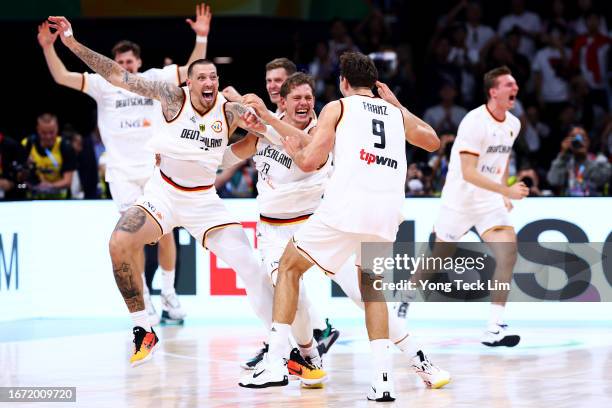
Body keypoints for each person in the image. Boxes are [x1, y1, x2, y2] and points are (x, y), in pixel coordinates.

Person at [48, 15, 274, 367]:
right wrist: (72, 43)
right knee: (118, 243)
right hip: (163, 193)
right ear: (189, 81)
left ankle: (282, 344)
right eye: (201, 76)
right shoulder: (170, 96)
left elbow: (256, 139)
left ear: (218, 81)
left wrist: (260, 123)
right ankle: (143, 327)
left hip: (203, 202)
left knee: (252, 268)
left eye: (213, 76)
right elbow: (114, 75)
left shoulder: (230, 111)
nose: (208, 81)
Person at [239, 52, 440, 402]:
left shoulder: (338, 108)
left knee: (288, 269)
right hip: (385, 215)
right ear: (376, 84)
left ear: (343, 83)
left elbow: (309, 158)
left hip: (342, 213)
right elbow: (433, 141)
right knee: (372, 294)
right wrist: (398, 105)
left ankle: (275, 362)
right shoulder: (393, 113)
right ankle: (393, 375)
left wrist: (283, 139)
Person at [38, 4, 212, 325]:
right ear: (112, 65)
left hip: (154, 170)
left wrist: (201, 36)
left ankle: (170, 295)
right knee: (130, 238)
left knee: (165, 233)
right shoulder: (102, 84)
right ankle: (144, 299)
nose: (124, 66)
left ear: (139, 63)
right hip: (121, 174)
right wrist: (49, 48)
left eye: (129, 62)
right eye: (119, 63)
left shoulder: (153, 79)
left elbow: (190, 70)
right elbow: (62, 76)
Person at [223, 58, 341, 369]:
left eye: (280, 81)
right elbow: (244, 145)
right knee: (274, 286)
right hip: (272, 224)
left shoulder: (318, 126)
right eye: (269, 81)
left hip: (315, 223)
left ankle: (407, 353)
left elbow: (311, 148)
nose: (273, 86)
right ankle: (295, 349)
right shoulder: (266, 121)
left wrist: (244, 106)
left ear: (295, 89)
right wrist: (205, 159)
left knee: (354, 288)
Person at [431, 66, 529, 347]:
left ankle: (493, 327)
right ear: (493, 91)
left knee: (508, 254)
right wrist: (506, 189)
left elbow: (503, 157)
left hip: (488, 203)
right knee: (437, 261)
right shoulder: (474, 122)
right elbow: (469, 172)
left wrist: (503, 192)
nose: (515, 88)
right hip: (459, 201)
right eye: (509, 84)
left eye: (515, 83)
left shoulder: (513, 123)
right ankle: (403, 303)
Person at [21, 113, 77, 199]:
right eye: (44, 133)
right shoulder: (27, 144)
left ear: (57, 128)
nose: (48, 137)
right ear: (38, 129)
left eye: (51, 132)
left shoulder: (65, 146)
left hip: (59, 200)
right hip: (32, 200)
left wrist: (49, 186)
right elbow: (19, 180)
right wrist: (26, 167)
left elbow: (68, 181)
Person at [547, 126, 611, 196]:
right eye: (574, 137)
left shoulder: (600, 160)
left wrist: (585, 159)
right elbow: (553, 181)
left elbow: (602, 180)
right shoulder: (564, 162)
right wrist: (563, 155)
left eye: (582, 137)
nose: (579, 141)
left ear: (588, 141)